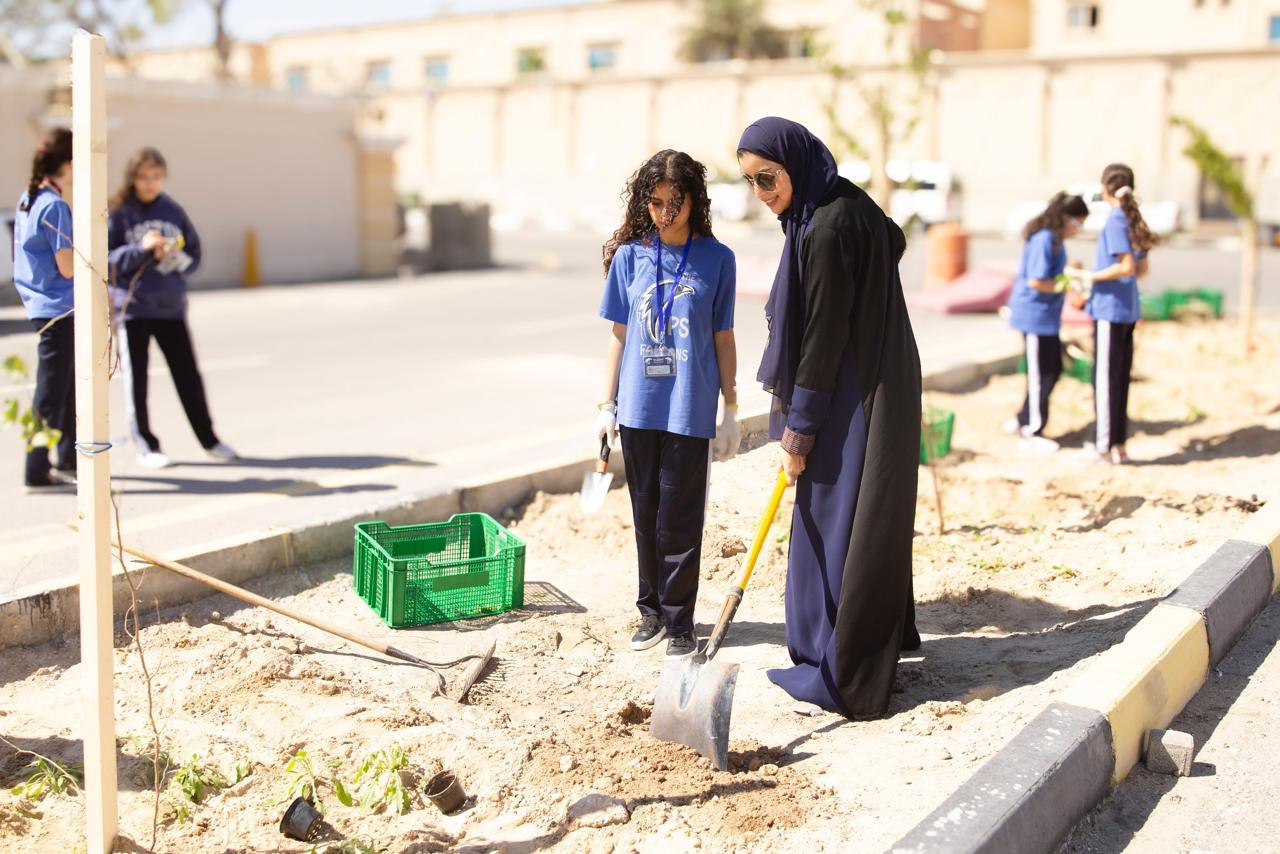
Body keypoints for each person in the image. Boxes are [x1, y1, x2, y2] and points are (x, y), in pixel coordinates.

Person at [736, 117, 921, 718]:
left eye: (768, 178)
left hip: (850, 392)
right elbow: (893, 240)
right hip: (885, 376)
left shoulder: (822, 230)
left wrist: (800, 429)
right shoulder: (847, 203)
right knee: (873, 513)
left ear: (794, 166)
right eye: (750, 182)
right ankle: (881, 639)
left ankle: (834, 664)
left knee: (833, 515)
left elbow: (820, 338)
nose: (761, 194)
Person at [597, 149, 740, 660]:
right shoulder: (630, 257)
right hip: (638, 408)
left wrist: (730, 408)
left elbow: (723, 337)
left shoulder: (717, 259)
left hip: (687, 407)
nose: (665, 213)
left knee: (679, 519)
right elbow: (619, 335)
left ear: (694, 201)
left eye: (675, 202)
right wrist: (605, 404)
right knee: (644, 513)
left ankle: (681, 622)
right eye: (655, 203)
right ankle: (650, 611)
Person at [107, 147, 237, 468]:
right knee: (137, 380)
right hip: (134, 308)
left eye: (156, 177)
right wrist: (141, 248)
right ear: (132, 178)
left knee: (188, 376)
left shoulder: (172, 211)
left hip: (170, 307)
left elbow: (194, 254)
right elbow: (107, 262)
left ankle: (209, 439)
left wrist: (173, 256)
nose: (150, 183)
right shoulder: (119, 212)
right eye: (143, 176)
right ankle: (146, 445)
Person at [1065, 163, 1156, 465]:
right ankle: (1118, 445)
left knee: (1104, 379)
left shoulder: (1117, 219)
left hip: (1110, 311)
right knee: (1118, 378)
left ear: (1105, 188)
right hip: (1127, 309)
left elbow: (1127, 266)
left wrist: (1091, 278)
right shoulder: (1132, 218)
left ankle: (1103, 445)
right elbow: (1142, 270)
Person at [12, 128, 77, 492]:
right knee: (52, 391)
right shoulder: (54, 205)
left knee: (66, 386)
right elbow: (67, 267)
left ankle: (69, 457)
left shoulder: (30, 198)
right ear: (68, 163)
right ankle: (36, 468)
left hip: (40, 302)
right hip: (59, 306)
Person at [1002, 192, 1089, 453]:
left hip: (1046, 317)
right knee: (1042, 373)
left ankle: (1022, 419)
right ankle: (1031, 430)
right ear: (1065, 218)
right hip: (1034, 316)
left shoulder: (1055, 241)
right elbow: (1037, 281)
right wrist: (1069, 284)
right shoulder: (1044, 240)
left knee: (1051, 368)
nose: (1079, 230)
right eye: (1078, 223)